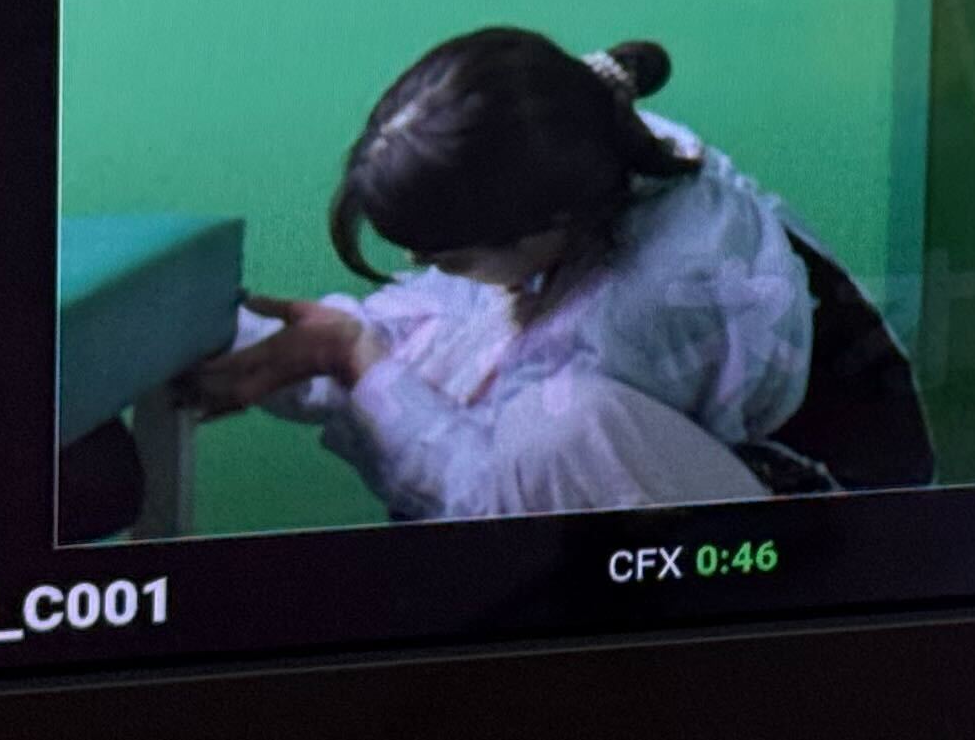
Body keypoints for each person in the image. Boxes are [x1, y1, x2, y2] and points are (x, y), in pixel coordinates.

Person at [187, 29, 930, 520]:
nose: (419, 268)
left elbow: (490, 494)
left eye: (446, 256)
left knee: (561, 434)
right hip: (708, 466)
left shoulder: (646, 301)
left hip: (839, 541)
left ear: (544, 227)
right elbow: (441, 327)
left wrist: (355, 358)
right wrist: (236, 336)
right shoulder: (583, 144)